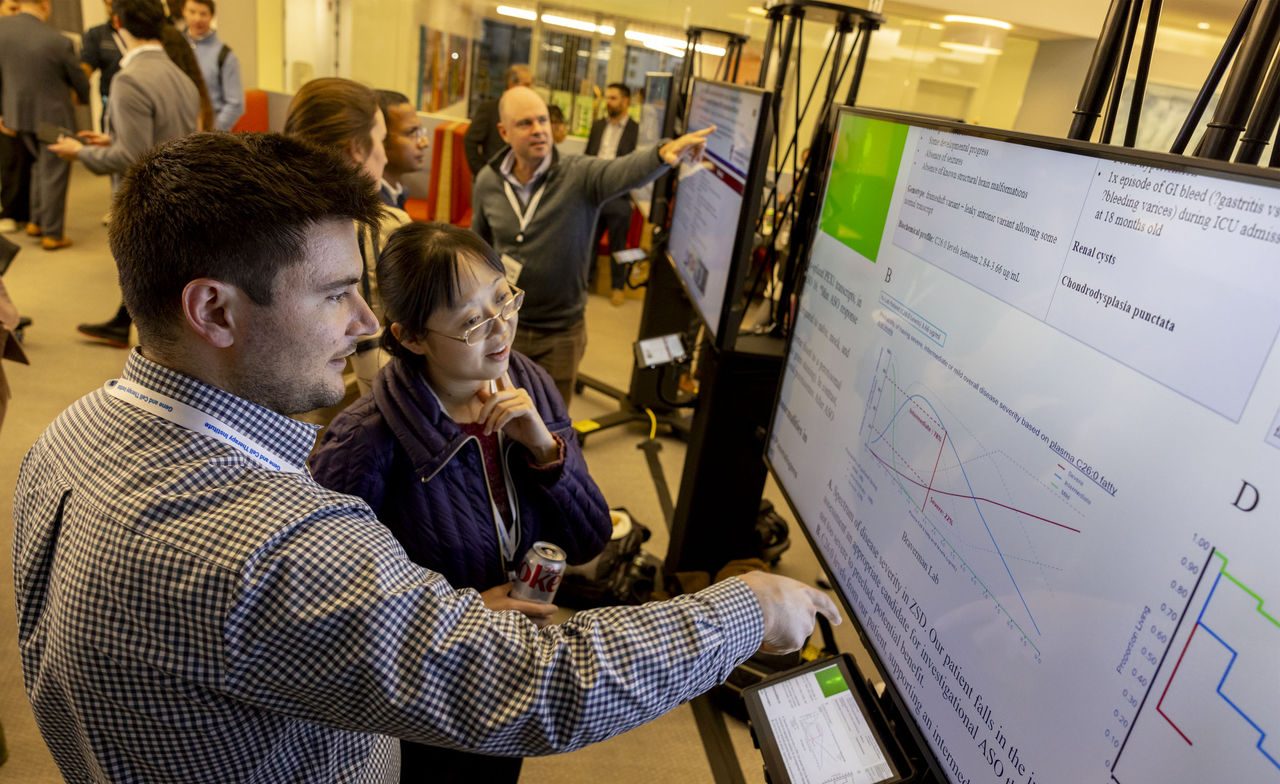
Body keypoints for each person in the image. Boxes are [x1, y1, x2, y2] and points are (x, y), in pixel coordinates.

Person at [13, 130, 840, 783]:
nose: (364, 325)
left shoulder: (71, 435)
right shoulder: (279, 541)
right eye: (337, 294)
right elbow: (536, 687)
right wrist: (748, 611)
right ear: (214, 311)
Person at [311, 222, 613, 782]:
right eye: (473, 321)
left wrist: (546, 450)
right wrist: (465, 615)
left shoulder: (528, 381)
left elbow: (590, 539)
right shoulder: (364, 441)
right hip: (422, 699)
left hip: (507, 668)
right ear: (413, 337)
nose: (501, 330)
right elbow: (326, 617)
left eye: (503, 299)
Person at [471, 86, 711, 402]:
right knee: (499, 413)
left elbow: (622, 171)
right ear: (504, 132)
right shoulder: (489, 181)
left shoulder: (579, 174)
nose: (540, 130)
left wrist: (660, 155)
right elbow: (479, 251)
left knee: (551, 424)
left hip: (559, 333)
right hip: (505, 326)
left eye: (542, 120)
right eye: (525, 123)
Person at [49, 0, 198, 349]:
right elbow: (166, 133)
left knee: (149, 289)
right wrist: (111, 139)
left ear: (116, 21)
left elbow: (131, 157)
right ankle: (123, 325)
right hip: (179, 188)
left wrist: (80, 152)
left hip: (147, 196)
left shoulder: (128, 80)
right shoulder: (180, 75)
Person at [286, 76, 409, 393]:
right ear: (356, 148)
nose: (384, 154)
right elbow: (377, 355)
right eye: (381, 141)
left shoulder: (271, 221)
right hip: (353, 409)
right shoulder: (381, 227)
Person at [0, 0, 91, 250]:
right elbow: (79, 80)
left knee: (38, 168)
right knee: (52, 172)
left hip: (18, 116)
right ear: (45, 5)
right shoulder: (58, 40)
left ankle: (36, 222)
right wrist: (83, 97)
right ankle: (51, 233)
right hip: (52, 118)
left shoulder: (2, 29)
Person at [585, 82, 640, 306]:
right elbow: (588, 156)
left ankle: (618, 286)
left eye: (614, 98)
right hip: (595, 193)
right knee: (589, 241)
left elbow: (637, 166)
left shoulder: (636, 130)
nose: (608, 102)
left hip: (619, 195)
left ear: (626, 101)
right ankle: (585, 282)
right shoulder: (598, 126)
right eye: (607, 98)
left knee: (619, 245)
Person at [181, 0, 242, 130]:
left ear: (212, 16)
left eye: (203, 14)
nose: (197, 19)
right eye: (192, 12)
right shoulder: (174, 47)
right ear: (183, 12)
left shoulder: (225, 55)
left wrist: (210, 132)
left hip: (209, 135)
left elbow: (235, 103)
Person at [464, 63, 530, 177]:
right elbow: (470, 142)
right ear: (511, 85)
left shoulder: (528, 113)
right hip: (495, 178)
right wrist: (482, 173)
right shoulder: (489, 109)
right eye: (527, 85)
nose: (530, 90)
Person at [0, 0, 28, 235]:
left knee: (26, 161)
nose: (16, 14)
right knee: (9, 162)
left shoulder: (24, 39)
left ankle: (27, 214)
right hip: (5, 113)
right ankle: (9, 212)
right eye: (11, 9)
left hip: (26, 111)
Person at [375, 89, 427, 211]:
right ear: (381, 138)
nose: (424, 143)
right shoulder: (378, 208)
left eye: (420, 132)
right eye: (411, 133)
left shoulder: (398, 193)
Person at [80, 0, 126, 133]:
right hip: (111, 107)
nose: (111, 8)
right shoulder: (97, 34)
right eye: (107, 4)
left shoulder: (140, 32)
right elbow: (86, 66)